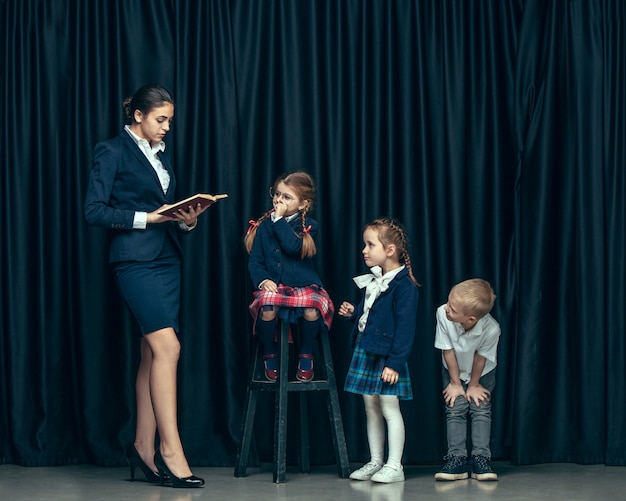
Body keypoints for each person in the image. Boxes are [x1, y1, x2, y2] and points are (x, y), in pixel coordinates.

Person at [84, 84, 208, 488]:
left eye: (170, 120)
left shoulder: (161, 156)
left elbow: (166, 212)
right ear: (137, 115)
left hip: (167, 260)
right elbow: (94, 211)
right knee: (168, 347)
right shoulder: (111, 150)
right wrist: (147, 218)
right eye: (161, 119)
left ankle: (142, 445)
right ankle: (171, 451)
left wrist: (185, 219)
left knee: (151, 354)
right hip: (134, 263)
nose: (167, 127)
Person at [339, 218, 419, 484]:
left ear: (390, 250)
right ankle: (376, 461)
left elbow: (405, 329)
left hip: (387, 356)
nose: (364, 249)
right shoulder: (376, 279)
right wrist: (354, 314)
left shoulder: (404, 285)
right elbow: (371, 316)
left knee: (389, 407)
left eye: (370, 244)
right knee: (370, 407)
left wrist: (394, 364)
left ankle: (395, 466)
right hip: (367, 349)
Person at [244, 171, 334, 382]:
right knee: (267, 307)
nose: (278, 200)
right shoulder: (264, 226)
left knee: (312, 310)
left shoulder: (310, 226)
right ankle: (269, 352)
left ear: (303, 204)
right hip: (276, 286)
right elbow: (255, 260)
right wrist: (263, 280)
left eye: (287, 197)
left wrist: (278, 221)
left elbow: (294, 247)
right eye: (277, 194)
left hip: (304, 285)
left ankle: (306, 353)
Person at [433, 278, 501, 482]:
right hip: (453, 368)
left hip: (482, 373)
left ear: (470, 319)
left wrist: (473, 385)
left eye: (452, 309)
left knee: (480, 409)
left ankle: (481, 458)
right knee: (455, 409)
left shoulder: (492, 329)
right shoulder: (442, 314)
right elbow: (448, 350)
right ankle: (457, 459)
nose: (446, 308)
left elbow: (481, 358)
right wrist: (455, 383)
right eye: (448, 302)